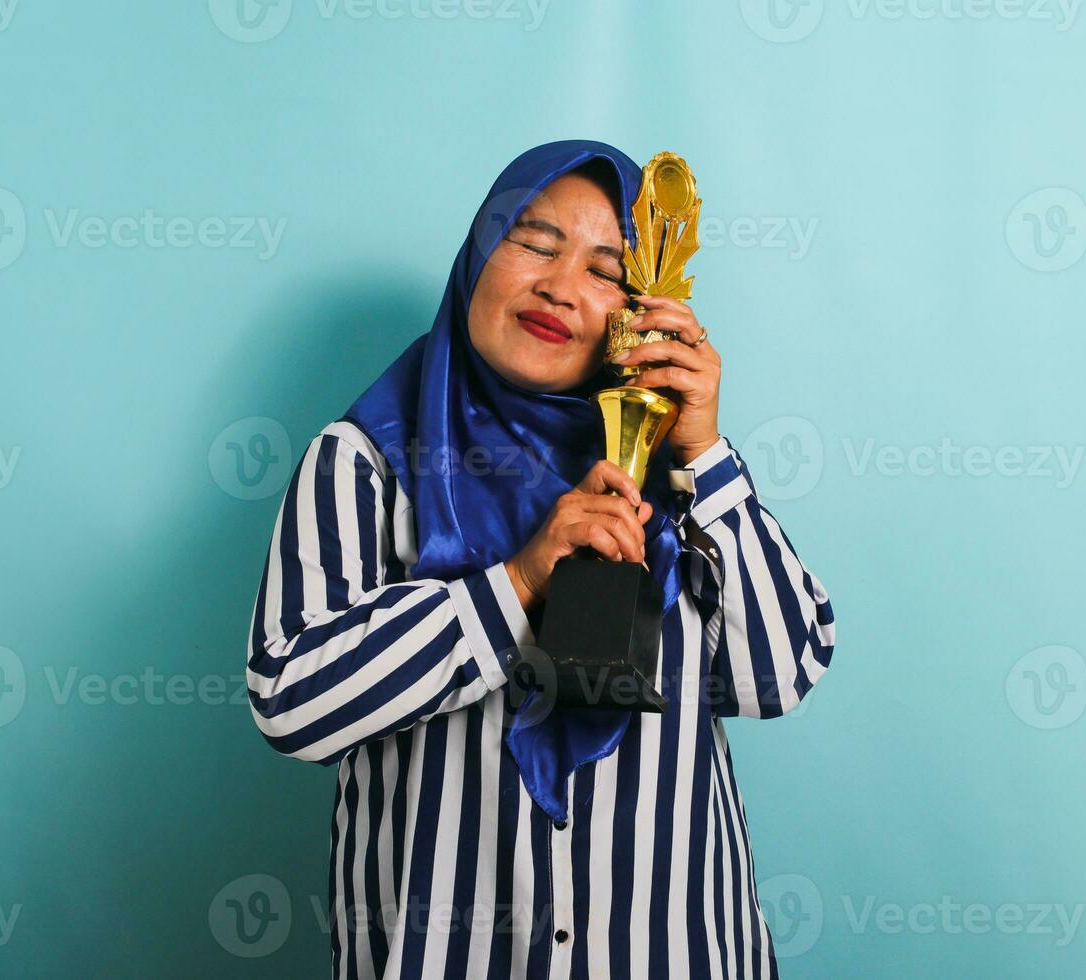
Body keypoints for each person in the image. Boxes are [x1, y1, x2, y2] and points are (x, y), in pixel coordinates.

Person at [245, 139, 836, 979]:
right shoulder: (366, 462)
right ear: (479, 253)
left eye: (606, 269)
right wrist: (518, 581)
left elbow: (777, 674)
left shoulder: (670, 470)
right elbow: (292, 701)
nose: (561, 287)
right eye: (534, 241)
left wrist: (702, 453)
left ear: (640, 307)